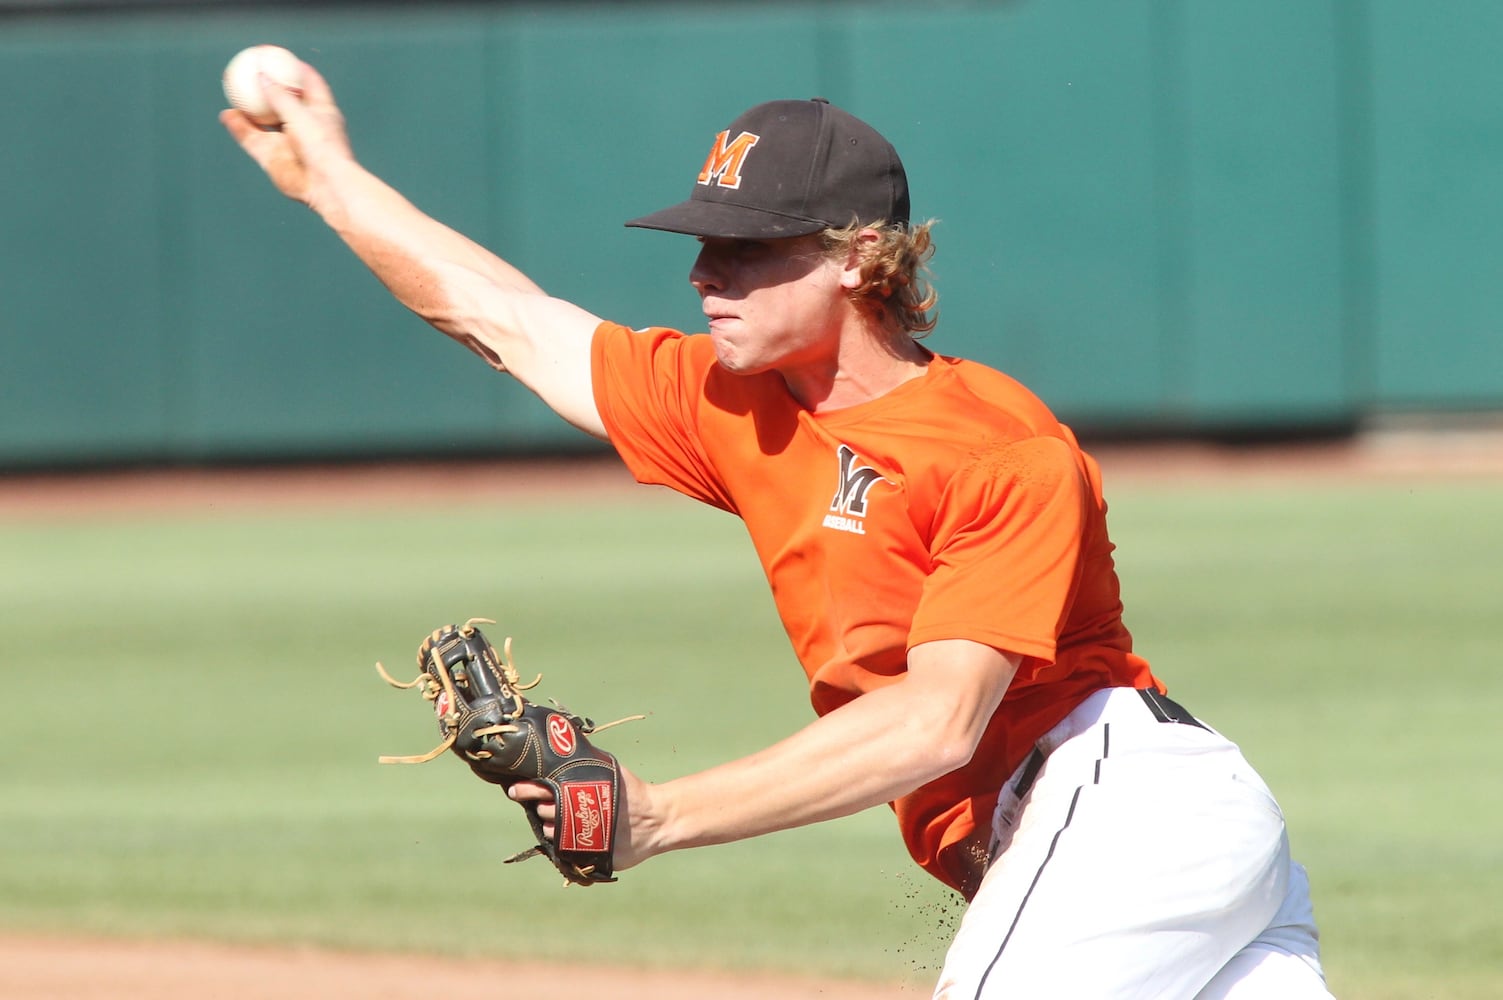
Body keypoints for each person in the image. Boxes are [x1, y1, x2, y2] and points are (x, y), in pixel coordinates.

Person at [223, 62, 1336, 998]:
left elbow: (938, 723)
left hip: (1121, 804)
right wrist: (331, 179)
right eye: (707, 241)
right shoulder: (735, 402)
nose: (707, 272)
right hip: (1096, 836)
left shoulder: (994, 447)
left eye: (751, 248)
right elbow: (503, 318)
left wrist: (655, 815)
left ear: (860, 258)